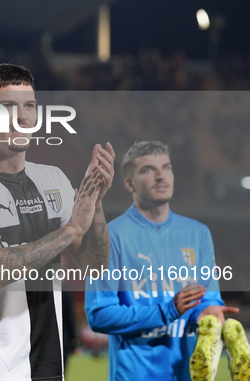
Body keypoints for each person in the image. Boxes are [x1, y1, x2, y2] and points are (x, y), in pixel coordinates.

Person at [0, 63, 115, 380]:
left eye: (29, 106)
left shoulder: (53, 178)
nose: (23, 117)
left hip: (47, 368)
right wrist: (69, 229)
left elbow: (95, 265)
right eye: (8, 106)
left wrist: (95, 203)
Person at [84, 140, 248, 381]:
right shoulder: (109, 237)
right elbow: (98, 315)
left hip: (188, 373)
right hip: (135, 376)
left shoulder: (198, 233)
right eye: (148, 169)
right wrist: (168, 310)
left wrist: (209, 311)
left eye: (166, 167)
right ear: (129, 183)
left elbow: (208, 298)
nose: (161, 176)